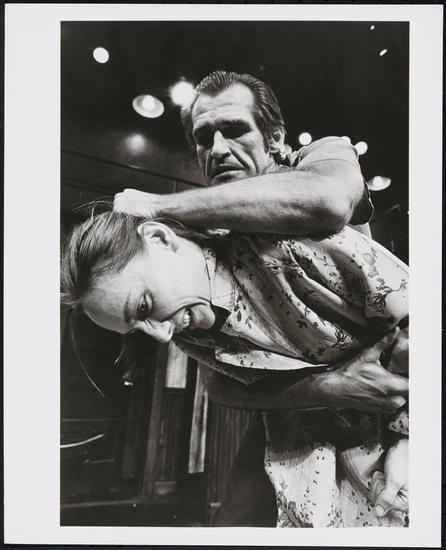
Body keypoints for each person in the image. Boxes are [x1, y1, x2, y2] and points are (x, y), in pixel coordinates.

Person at [111, 70, 407, 525]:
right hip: (294, 417)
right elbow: (218, 381)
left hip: (393, 384)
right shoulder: (209, 238)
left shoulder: (323, 155)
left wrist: (156, 205)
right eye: (203, 137)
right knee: (237, 525)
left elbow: (327, 202)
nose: (217, 149)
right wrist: (332, 386)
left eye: (234, 130)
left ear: (276, 138)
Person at [61, 207, 408, 527]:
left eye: (143, 307)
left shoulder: (285, 246)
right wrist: (328, 389)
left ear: (159, 238)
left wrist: (408, 443)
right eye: (137, 330)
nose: (162, 336)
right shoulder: (189, 332)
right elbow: (225, 388)